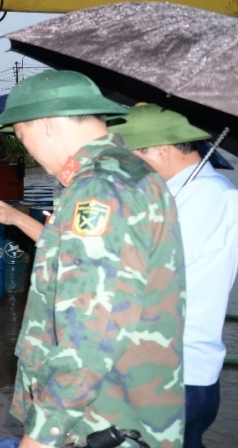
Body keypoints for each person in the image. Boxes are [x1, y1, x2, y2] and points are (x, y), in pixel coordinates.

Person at [0, 71, 185, 448]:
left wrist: (41, 436)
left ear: (44, 125)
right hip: (123, 406)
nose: (24, 148)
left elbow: (91, 331)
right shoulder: (129, 173)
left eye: (21, 135)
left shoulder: (99, 187)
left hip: (101, 420)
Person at [107, 103, 238, 448]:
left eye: (132, 154)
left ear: (161, 150)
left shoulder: (210, 194)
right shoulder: (178, 192)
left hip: (178, 368)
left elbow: (150, 270)